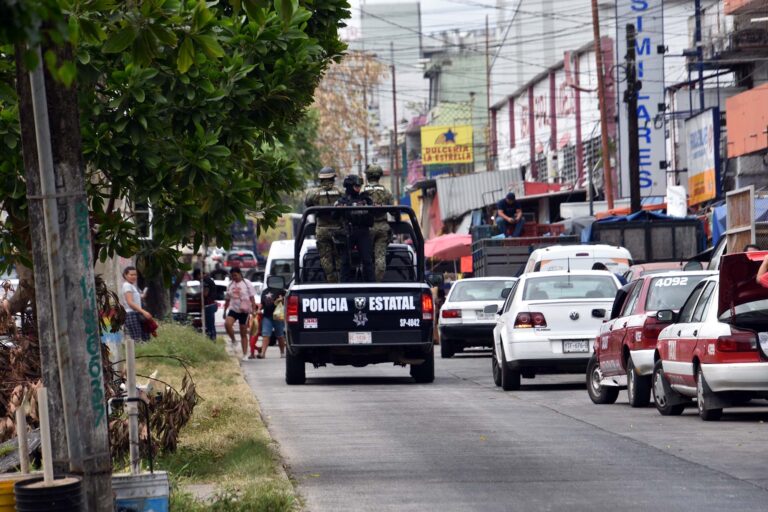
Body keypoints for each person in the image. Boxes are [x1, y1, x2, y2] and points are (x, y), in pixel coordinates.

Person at [305, 166, 343, 283]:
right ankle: (341, 281)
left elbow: (307, 203)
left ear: (320, 179)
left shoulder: (313, 193)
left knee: (325, 258)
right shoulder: (340, 192)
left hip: (322, 229)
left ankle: (331, 281)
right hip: (338, 229)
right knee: (339, 257)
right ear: (333, 178)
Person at [335, 174, 375, 282]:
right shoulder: (343, 200)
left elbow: (375, 211)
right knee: (345, 261)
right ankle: (344, 286)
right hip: (349, 232)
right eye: (356, 185)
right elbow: (334, 215)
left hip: (363, 232)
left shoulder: (365, 199)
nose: (359, 188)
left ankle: (372, 286)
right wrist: (339, 209)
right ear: (349, 186)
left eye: (360, 185)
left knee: (368, 261)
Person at [363, 164, 394, 282]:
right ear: (379, 176)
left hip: (366, 229)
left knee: (366, 258)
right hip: (382, 227)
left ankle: (366, 282)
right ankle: (377, 283)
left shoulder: (362, 191)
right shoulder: (386, 192)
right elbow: (393, 211)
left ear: (368, 176)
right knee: (380, 258)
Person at [223, 267, 257, 361]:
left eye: (235, 275)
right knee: (227, 324)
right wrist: (224, 311)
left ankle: (245, 353)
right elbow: (227, 299)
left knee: (243, 332)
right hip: (233, 309)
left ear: (240, 274)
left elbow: (252, 298)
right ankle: (233, 340)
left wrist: (253, 310)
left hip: (244, 310)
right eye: (232, 276)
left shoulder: (247, 283)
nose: (234, 277)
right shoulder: (230, 284)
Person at [121, 266, 152, 342]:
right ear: (125, 275)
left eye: (135, 275)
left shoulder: (132, 286)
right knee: (137, 338)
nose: (134, 277)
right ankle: (135, 353)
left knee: (144, 337)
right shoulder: (127, 286)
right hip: (131, 314)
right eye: (131, 275)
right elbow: (130, 302)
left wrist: (141, 296)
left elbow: (133, 299)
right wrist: (143, 312)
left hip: (135, 313)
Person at [258, 282, 287, 359]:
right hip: (267, 316)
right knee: (265, 335)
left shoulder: (282, 291)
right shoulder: (265, 292)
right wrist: (258, 309)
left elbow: (286, 302)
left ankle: (282, 352)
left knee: (280, 335)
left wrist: (282, 299)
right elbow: (262, 303)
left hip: (278, 316)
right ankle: (263, 353)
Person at [192, 268, 217, 340]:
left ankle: (212, 340)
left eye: (197, 278)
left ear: (199, 275)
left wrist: (196, 295)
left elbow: (205, 293)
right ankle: (212, 339)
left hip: (209, 305)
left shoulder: (205, 281)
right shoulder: (208, 279)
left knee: (209, 325)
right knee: (210, 325)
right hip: (211, 305)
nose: (198, 280)